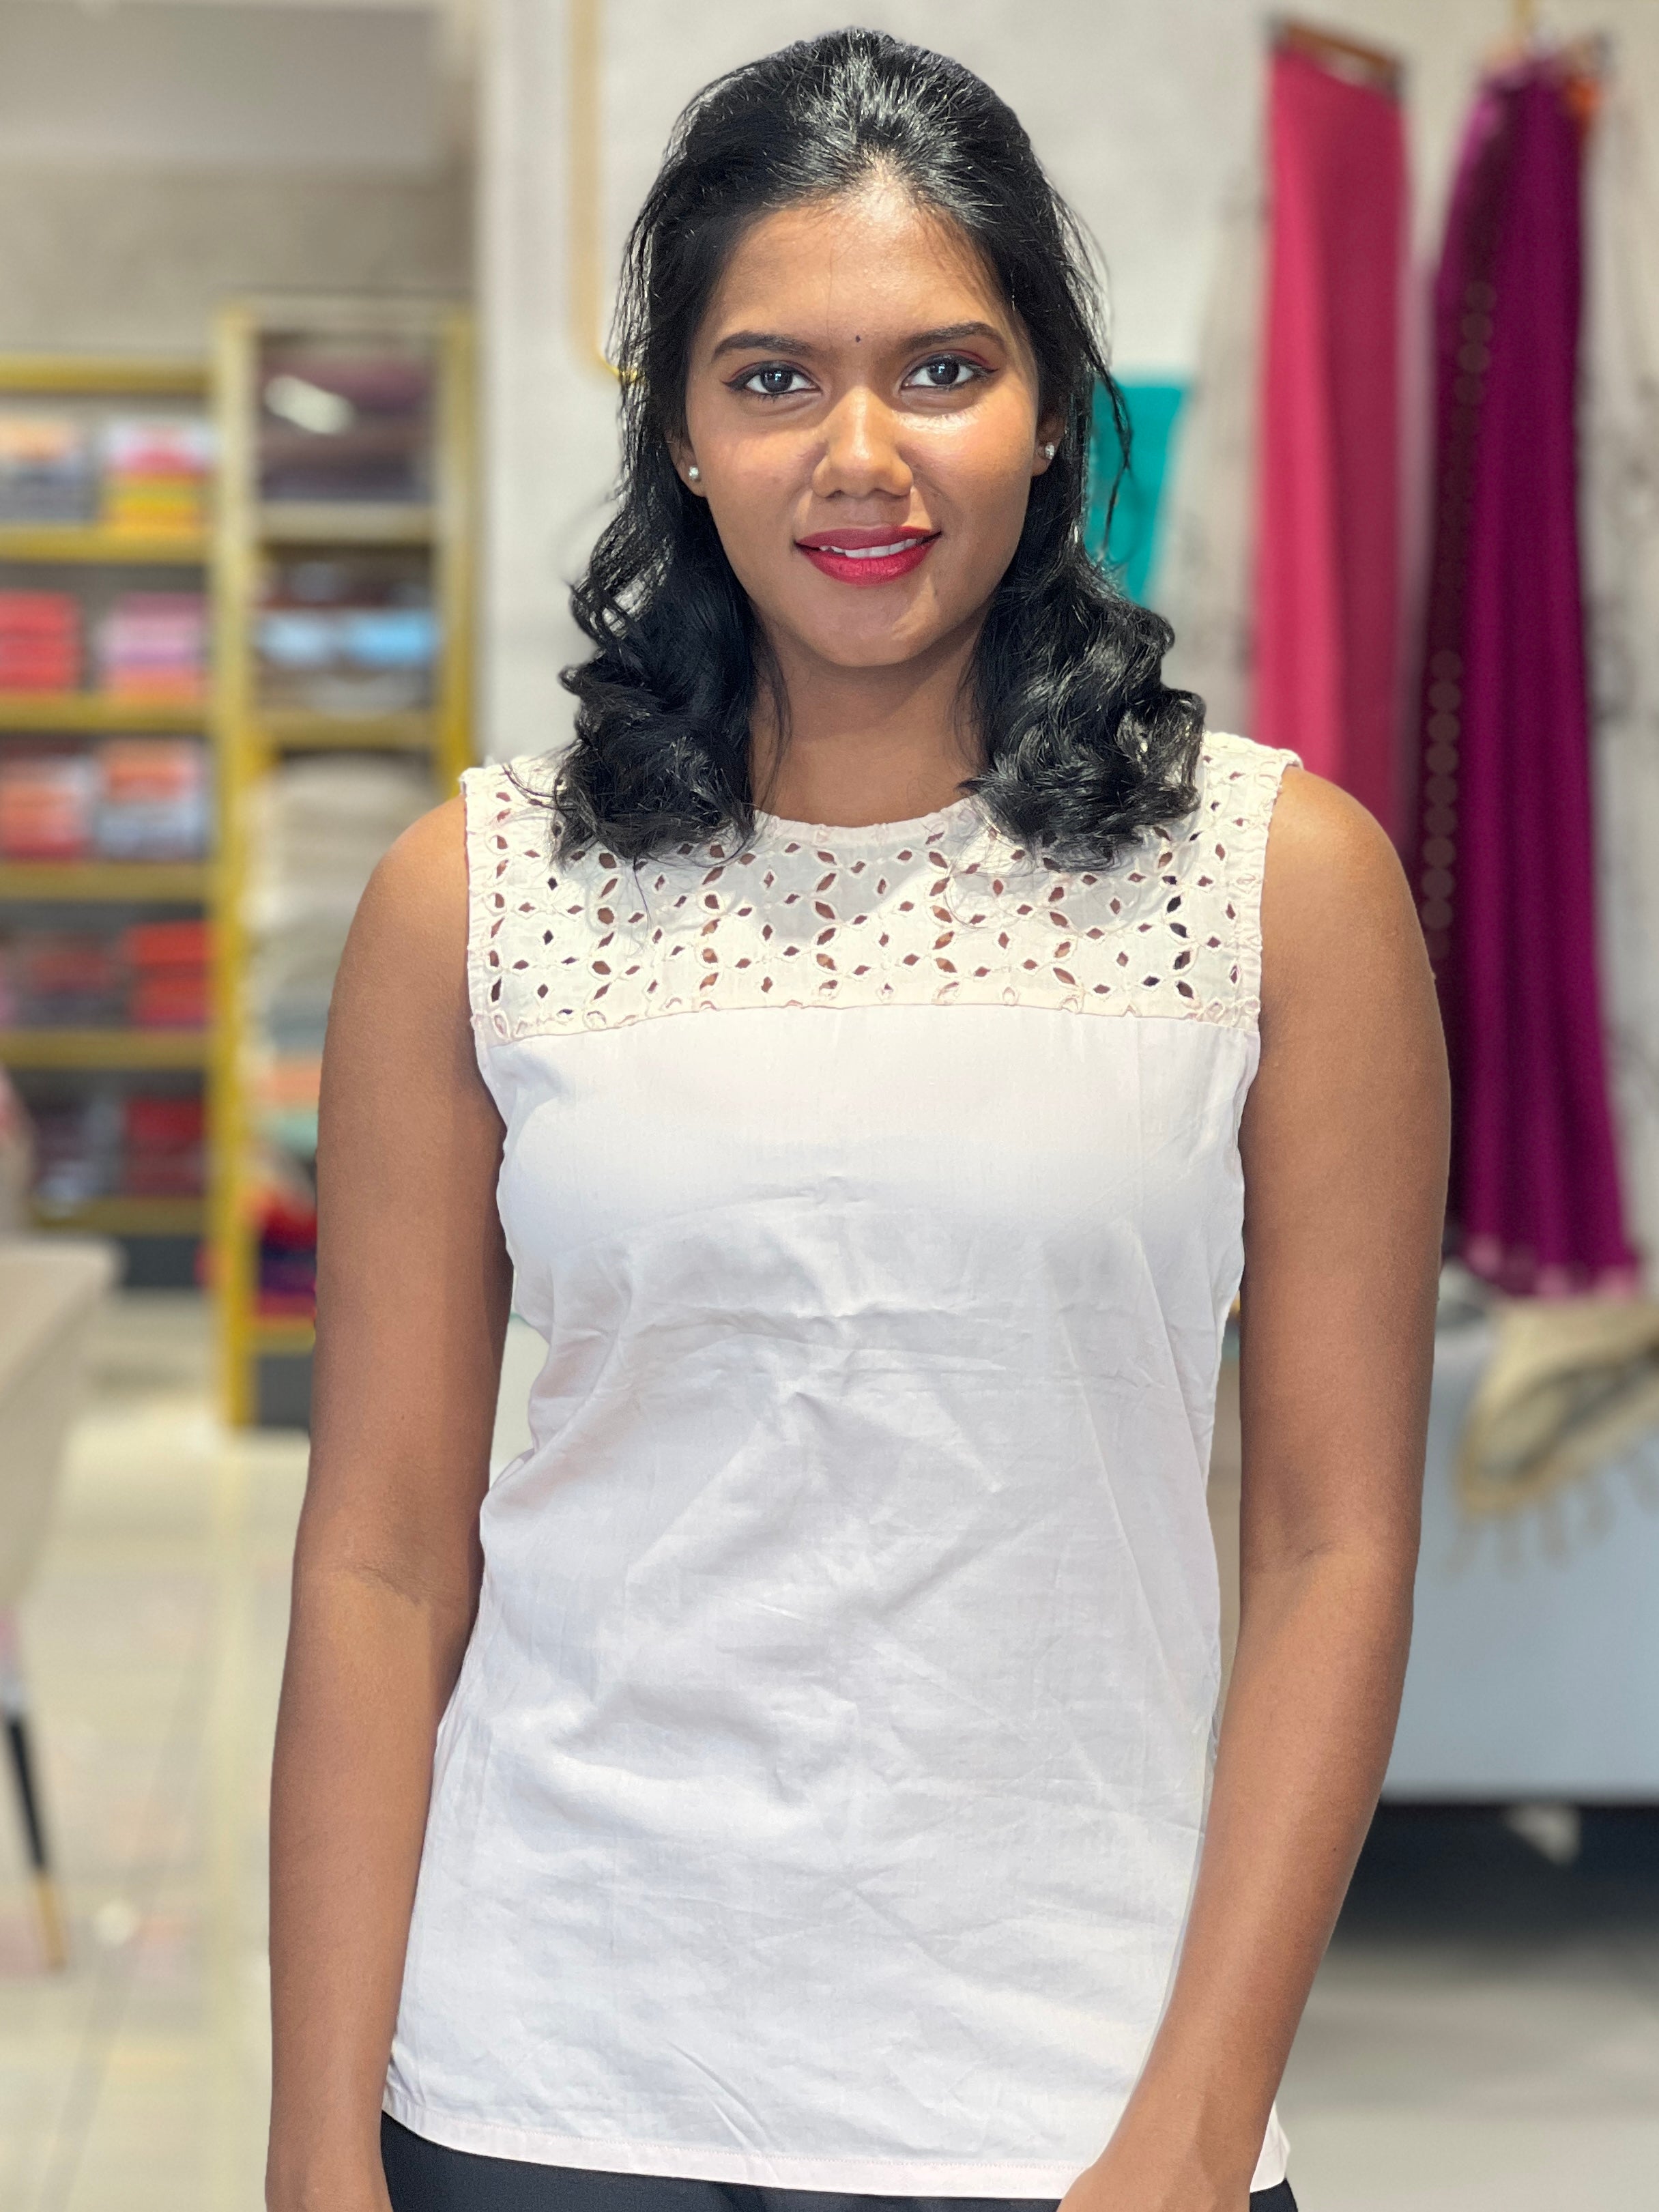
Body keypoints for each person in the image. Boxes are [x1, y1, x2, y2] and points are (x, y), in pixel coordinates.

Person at [266, 30, 1447, 2212]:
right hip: (539, 2080)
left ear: (1055, 409)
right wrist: (316, 2147)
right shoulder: (476, 892)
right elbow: (380, 1554)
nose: (861, 455)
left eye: (943, 369)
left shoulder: (1282, 885)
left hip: (1069, 2101)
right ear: (682, 432)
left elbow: (1332, 1543)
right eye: (774, 378)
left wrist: (1194, 2128)